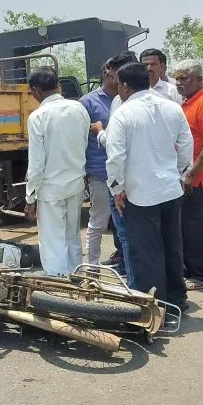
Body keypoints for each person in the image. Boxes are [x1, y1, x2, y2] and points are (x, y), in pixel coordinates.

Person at [105, 63, 193, 309]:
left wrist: (117, 190)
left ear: (124, 85)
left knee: (146, 253)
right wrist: (182, 174)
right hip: (170, 190)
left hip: (140, 194)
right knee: (172, 246)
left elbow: (115, 157)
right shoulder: (172, 107)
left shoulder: (124, 113)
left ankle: (154, 306)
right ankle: (177, 299)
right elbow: (186, 144)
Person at [23, 66, 90, 277]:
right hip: (75, 183)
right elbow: (84, 145)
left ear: (35, 91)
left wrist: (30, 197)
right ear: (57, 85)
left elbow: (36, 164)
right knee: (72, 236)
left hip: (50, 189)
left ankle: (58, 287)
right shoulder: (79, 109)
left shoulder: (38, 117)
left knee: (53, 242)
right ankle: (76, 279)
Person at [92, 50, 141, 284]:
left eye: (115, 76)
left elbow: (113, 149)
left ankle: (136, 288)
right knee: (138, 237)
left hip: (127, 182)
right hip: (145, 183)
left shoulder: (122, 104)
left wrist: (100, 132)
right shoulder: (165, 102)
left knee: (130, 236)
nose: (113, 80)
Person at [174, 60, 203, 291]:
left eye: (184, 78)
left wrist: (192, 173)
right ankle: (190, 268)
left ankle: (202, 275)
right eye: (178, 78)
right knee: (187, 225)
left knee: (198, 226)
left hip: (200, 175)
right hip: (190, 174)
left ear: (199, 80)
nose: (178, 82)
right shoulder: (188, 103)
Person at [79, 61, 117, 265]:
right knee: (98, 222)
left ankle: (124, 261)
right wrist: (84, 170)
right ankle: (92, 267)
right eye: (116, 71)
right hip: (100, 172)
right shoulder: (88, 102)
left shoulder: (125, 99)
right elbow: (80, 140)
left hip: (125, 172)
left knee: (124, 224)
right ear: (107, 72)